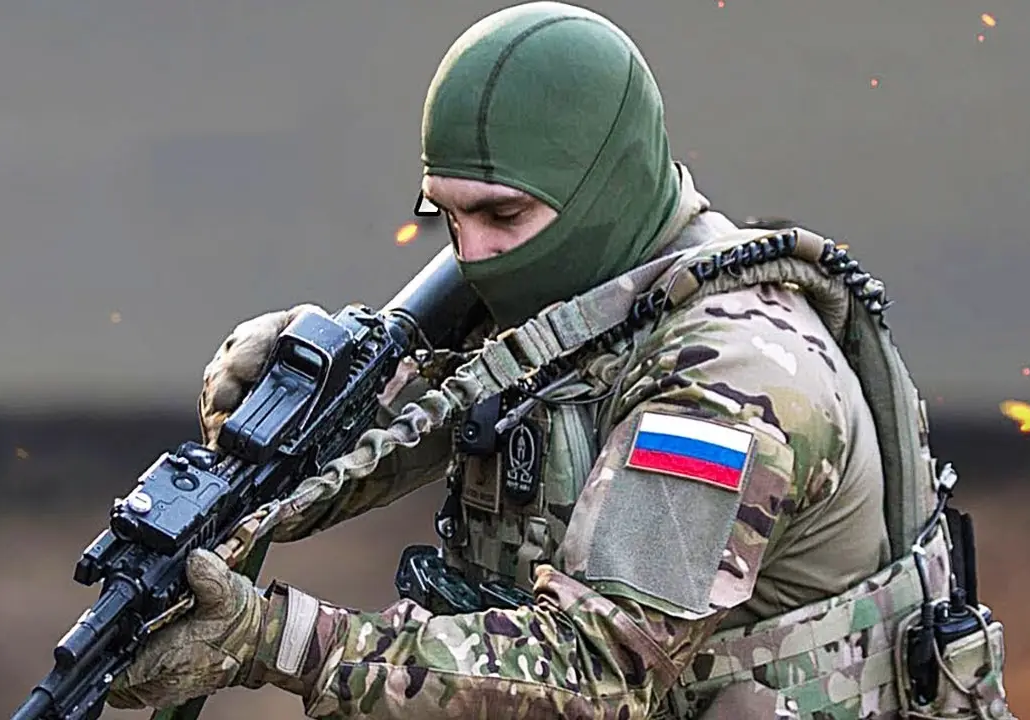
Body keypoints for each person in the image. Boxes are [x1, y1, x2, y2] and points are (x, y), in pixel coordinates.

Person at [107, 3, 1014, 719]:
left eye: (502, 216)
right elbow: (403, 431)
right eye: (445, 216)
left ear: (603, 189)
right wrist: (303, 388)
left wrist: (274, 639)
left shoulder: (732, 380)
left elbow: (594, 673)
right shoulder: (576, 297)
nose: (471, 256)